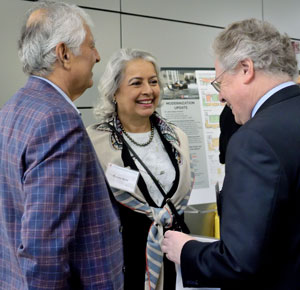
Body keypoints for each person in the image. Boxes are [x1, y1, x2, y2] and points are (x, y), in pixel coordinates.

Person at [162, 18, 300, 290]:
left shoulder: (254, 140)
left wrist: (186, 250)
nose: (221, 98)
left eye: (220, 83)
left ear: (246, 69)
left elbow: (238, 262)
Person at [0, 1, 123, 289]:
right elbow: (45, 247)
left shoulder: (11, 109)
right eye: (91, 46)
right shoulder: (58, 120)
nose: (97, 56)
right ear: (64, 54)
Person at [87, 48, 194, 290]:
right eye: (136, 83)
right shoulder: (94, 142)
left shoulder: (177, 137)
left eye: (153, 81)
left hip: (173, 256)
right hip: (121, 261)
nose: (148, 90)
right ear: (114, 91)